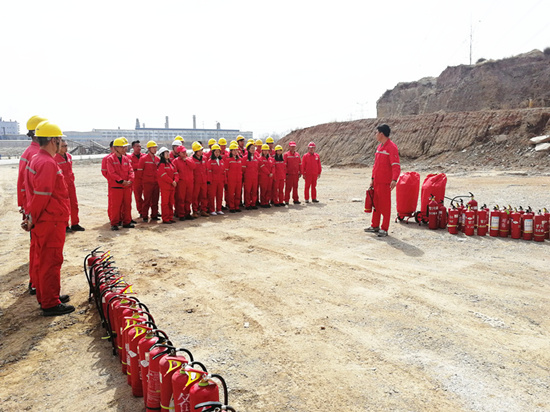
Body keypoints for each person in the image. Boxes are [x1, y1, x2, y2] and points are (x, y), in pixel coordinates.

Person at [23, 121, 74, 316]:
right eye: (60, 140)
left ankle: (47, 296)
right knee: (51, 261)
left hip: (44, 219)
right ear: (53, 140)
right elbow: (42, 195)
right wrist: (32, 218)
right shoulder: (47, 163)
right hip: (50, 220)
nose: (61, 143)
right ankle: (50, 303)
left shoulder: (37, 159)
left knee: (42, 260)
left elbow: (32, 193)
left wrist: (30, 216)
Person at [17, 115, 47, 296]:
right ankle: (36, 283)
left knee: (38, 247)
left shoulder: (32, 152)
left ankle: (36, 282)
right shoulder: (34, 154)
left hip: (33, 206)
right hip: (37, 209)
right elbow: (26, 184)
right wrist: (27, 208)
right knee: (39, 249)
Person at [365, 124, 400, 237]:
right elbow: (376, 165)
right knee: (376, 204)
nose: (375, 135)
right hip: (377, 181)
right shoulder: (380, 147)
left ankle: (384, 228)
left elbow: (396, 165)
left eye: (376, 133)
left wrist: (394, 179)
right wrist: (372, 178)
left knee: (385, 205)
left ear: (381, 134)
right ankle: (375, 225)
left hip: (385, 182)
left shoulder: (392, 147)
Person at [55, 138, 85, 231]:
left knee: (74, 204)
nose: (65, 148)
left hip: (71, 184)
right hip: (61, 185)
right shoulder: (55, 158)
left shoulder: (68, 156)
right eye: (63, 146)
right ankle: (65, 225)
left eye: (66, 146)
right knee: (64, 206)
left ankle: (75, 223)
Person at [106, 137, 135, 231]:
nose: (125, 149)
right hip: (116, 187)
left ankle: (127, 222)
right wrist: (122, 181)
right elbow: (112, 172)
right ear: (116, 148)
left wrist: (130, 180)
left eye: (125, 147)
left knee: (127, 205)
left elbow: (131, 171)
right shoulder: (110, 159)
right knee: (115, 206)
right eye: (123, 147)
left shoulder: (126, 159)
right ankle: (114, 223)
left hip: (127, 187)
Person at [138, 141, 160, 222]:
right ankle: (145, 216)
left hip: (156, 183)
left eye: (155, 148)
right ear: (149, 149)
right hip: (147, 183)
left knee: (155, 200)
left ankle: (154, 215)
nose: (155, 149)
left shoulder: (157, 159)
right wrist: (144, 181)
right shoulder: (143, 159)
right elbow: (140, 172)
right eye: (153, 148)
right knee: (147, 200)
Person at [173, 145, 196, 220]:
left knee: (188, 198)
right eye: (182, 152)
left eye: (185, 151)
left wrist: (186, 160)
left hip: (189, 182)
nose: (184, 153)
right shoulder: (176, 161)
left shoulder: (189, 159)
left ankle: (187, 213)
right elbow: (174, 172)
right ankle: (181, 214)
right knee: (181, 198)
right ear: (179, 153)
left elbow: (193, 166)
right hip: (181, 182)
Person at [157, 147, 179, 224]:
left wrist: (175, 180)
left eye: (168, 152)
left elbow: (176, 173)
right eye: (165, 153)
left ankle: (170, 217)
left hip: (172, 186)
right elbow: (163, 175)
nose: (168, 154)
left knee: (171, 202)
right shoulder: (161, 165)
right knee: (165, 203)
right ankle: (165, 218)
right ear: (162, 155)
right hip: (165, 187)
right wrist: (171, 181)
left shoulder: (171, 164)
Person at [206, 144, 225, 215]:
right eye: (216, 152)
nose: (217, 153)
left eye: (218, 152)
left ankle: (219, 209)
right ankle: (212, 210)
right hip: (213, 181)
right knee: (212, 196)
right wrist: (209, 180)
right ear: (213, 152)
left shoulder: (221, 161)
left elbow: (223, 171)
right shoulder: (210, 161)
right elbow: (209, 172)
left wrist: (224, 180)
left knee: (220, 195)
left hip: (220, 181)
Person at [191, 142, 209, 217]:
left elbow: (206, 169)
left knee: (204, 196)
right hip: (196, 181)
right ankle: (195, 211)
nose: (202, 152)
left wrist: (207, 179)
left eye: (202, 150)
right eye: (200, 150)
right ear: (196, 152)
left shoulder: (204, 158)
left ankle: (203, 210)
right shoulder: (191, 159)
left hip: (203, 181)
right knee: (195, 197)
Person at [225, 142, 243, 213]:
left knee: (238, 193)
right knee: (231, 194)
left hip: (238, 179)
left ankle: (237, 206)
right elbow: (226, 171)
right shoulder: (228, 160)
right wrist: (226, 180)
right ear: (231, 151)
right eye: (234, 150)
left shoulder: (239, 159)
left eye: (236, 150)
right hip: (231, 180)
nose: (235, 152)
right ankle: (231, 207)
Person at [128, 140, 144, 217]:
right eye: (137, 146)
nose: (139, 148)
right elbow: (130, 167)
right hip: (136, 180)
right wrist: (140, 166)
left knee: (149, 196)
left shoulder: (144, 156)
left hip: (145, 179)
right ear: (133, 147)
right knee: (138, 196)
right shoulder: (129, 158)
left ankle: (153, 211)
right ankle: (141, 211)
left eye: (140, 146)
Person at [242, 141, 259, 210]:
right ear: (248, 149)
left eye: (254, 148)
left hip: (255, 177)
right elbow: (243, 169)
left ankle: (253, 203)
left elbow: (258, 168)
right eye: (251, 148)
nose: (253, 149)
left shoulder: (256, 158)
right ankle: (247, 204)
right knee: (248, 191)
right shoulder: (245, 158)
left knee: (254, 191)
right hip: (248, 178)